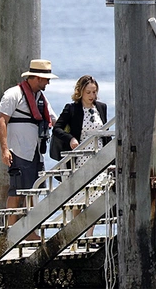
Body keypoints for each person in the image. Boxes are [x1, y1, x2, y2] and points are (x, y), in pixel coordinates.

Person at [0, 59, 58, 229]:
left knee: (34, 191)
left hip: (36, 152)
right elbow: (2, 120)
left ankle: (29, 229)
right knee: (16, 190)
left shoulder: (41, 98)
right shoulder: (13, 94)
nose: (48, 83)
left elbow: (54, 119)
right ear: (37, 78)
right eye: (46, 79)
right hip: (18, 150)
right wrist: (4, 150)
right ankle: (10, 228)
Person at [52, 75, 109, 217]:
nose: (92, 96)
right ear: (81, 92)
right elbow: (57, 128)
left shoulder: (101, 107)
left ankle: (89, 235)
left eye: (94, 92)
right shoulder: (72, 108)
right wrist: (70, 138)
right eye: (88, 92)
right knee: (78, 197)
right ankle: (75, 230)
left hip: (99, 156)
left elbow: (106, 132)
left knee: (96, 197)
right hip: (80, 158)